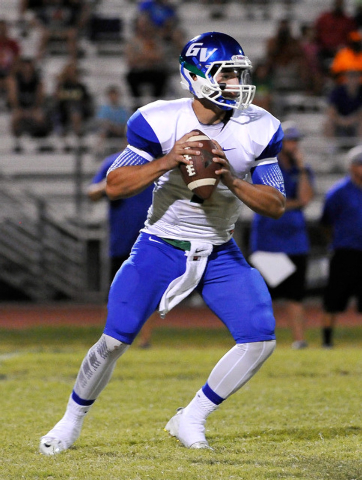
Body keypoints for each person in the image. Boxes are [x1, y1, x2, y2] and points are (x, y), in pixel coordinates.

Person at [39, 31, 286, 455]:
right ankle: (71, 420)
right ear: (195, 76)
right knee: (114, 340)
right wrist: (170, 159)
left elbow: (276, 203)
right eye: (225, 74)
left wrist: (229, 177)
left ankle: (191, 417)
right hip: (161, 244)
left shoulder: (259, 127)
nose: (235, 84)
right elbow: (114, 185)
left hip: (219, 251)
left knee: (260, 337)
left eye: (238, 74)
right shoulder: (158, 119)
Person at [250, 121, 315, 349]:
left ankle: (299, 340)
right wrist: (288, 204)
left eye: (296, 141)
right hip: (268, 243)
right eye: (290, 140)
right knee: (262, 297)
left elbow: (305, 199)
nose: (294, 145)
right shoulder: (266, 166)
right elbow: (267, 202)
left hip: (296, 243)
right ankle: (257, 340)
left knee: (295, 296)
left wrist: (303, 168)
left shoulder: (302, 170)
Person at [87, 152, 155, 348]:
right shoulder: (114, 162)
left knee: (148, 290)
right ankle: (112, 337)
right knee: (117, 291)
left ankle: (145, 340)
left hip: (153, 237)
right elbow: (92, 192)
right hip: (122, 238)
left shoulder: (161, 162)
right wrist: (109, 186)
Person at [320, 145, 362, 348]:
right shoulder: (338, 192)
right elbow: (326, 222)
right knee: (333, 298)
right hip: (345, 251)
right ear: (352, 167)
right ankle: (327, 341)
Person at [124, 15, 170, 110]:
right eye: (141, 25)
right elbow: (130, 60)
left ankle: (157, 105)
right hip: (138, 71)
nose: (144, 28)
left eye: (146, 25)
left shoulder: (156, 40)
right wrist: (148, 56)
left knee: (162, 76)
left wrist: (142, 56)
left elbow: (160, 57)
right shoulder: (132, 42)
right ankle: (136, 105)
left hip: (154, 70)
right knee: (130, 77)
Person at [7, 57, 52, 152]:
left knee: (40, 117)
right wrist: (19, 109)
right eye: (25, 67)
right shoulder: (15, 79)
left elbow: (40, 97)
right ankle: (17, 142)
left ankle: (42, 140)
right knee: (15, 117)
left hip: (33, 107)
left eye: (29, 67)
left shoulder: (37, 79)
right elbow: (12, 96)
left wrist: (34, 109)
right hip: (20, 107)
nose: (27, 69)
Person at [314, 0, 357, 76]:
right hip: (325, 50)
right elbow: (316, 34)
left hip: (342, 52)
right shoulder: (324, 18)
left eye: (340, 4)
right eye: (337, 3)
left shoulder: (348, 21)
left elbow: (353, 38)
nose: (338, 6)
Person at [323, 69, 362, 152]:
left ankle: (360, 146)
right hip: (339, 122)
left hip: (355, 122)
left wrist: (351, 120)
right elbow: (331, 111)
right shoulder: (337, 91)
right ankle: (331, 147)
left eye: (355, 77)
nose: (353, 80)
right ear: (346, 78)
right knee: (328, 123)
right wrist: (341, 121)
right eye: (351, 77)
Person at [94, 85, 131, 156]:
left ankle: (123, 154)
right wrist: (113, 128)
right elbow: (103, 122)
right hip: (109, 131)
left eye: (115, 96)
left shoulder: (123, 110)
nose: (113, 98)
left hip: (120, 130)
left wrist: (120, 129)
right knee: (102, 132)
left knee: (129, 133)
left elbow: (127, 122)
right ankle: (99, 151)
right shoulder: (104, 109)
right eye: (111, 96)